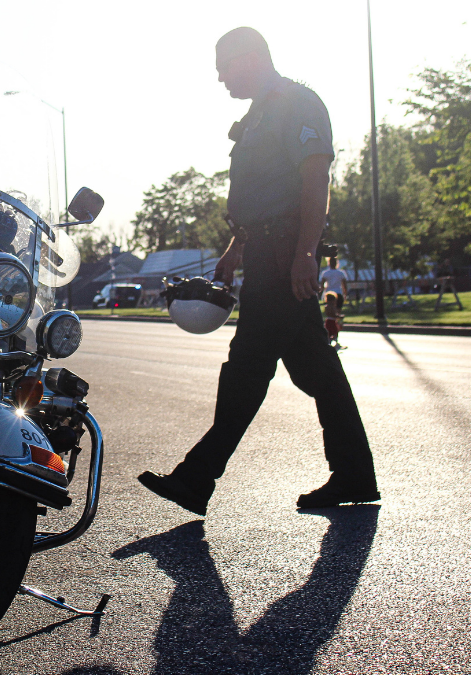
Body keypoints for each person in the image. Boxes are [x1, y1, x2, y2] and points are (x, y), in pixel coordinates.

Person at [138, 27, 379, 513]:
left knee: (246, 369)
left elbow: (315, 182)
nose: (221, 78)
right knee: (319, 373)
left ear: (251, 58)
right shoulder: (254, 118)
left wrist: (305, 253)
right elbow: (259, 203)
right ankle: (354, 475)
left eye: (225, 67)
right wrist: (234, 251)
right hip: (266, 253)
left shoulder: (298, 103)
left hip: (284, 256)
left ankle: (196, 477)